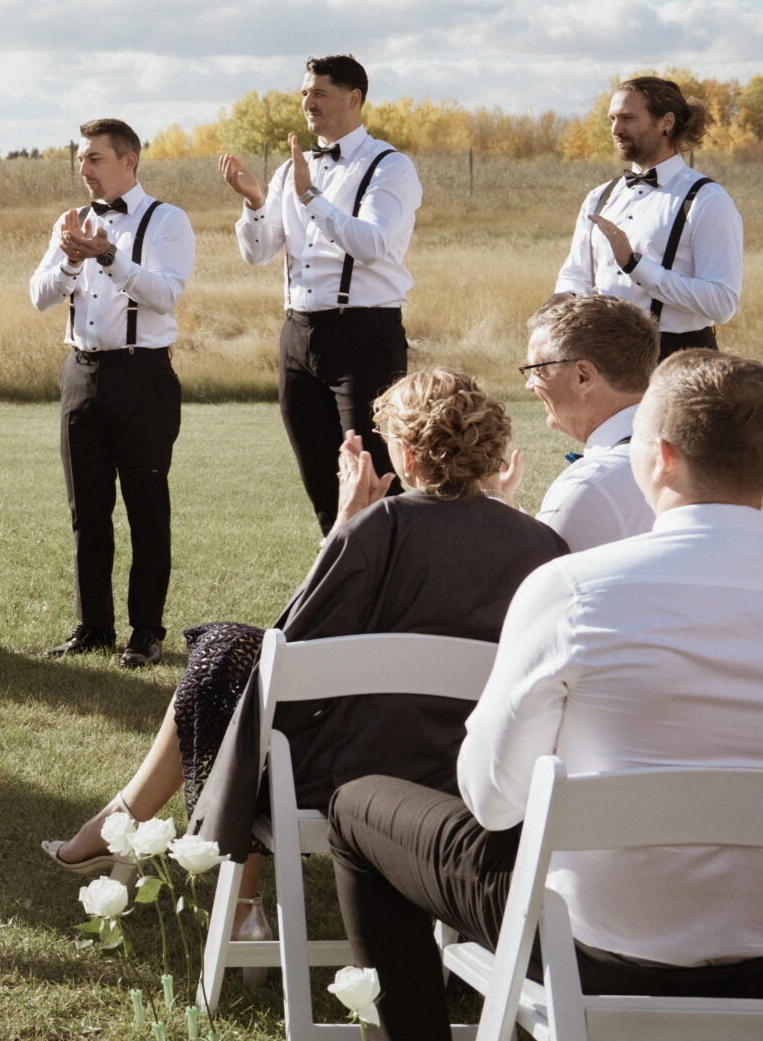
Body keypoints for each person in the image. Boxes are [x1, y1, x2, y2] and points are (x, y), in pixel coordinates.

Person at [325, 351, 763, 1040]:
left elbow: (493, 798)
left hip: (596, 953)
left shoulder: (576, 590)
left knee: (355, 809)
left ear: (662, 457)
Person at [41, 371, 565, 945]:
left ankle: (219, 887)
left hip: (351, 775)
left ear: (409, 456)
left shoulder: (381, 529)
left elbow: (285, 662)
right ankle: (153, 841)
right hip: (480, 769)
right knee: (229, 656)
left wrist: (344, 526)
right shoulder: (543, 545)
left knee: (229, 661)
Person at [222, 55, 424, 534]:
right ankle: (339, 584)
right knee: (318, 477)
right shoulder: (292, 170)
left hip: (363, 335)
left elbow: (371, 244)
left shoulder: (389, 166)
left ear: (353, 99)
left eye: (319, 93)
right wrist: (254, 202)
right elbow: (259, 253)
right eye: (304, 93)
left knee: (375, 477)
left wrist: (311, 196)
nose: (307, 103)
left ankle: (389, 595)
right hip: (297, 334)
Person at [30, 119, 195, 668]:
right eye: (80, 159)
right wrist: (72, 260)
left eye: (95, 158)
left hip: (141, 375)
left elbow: (166, 295)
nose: (84, 169)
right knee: (87, 510)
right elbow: (38, 297)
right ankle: (93, 626)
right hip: (80, 373)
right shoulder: (68, 221)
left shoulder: (168, 221)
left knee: (147, 507)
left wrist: (108, 257)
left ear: (130, 161)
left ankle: (146, 630)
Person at [551, 74, 742, 358]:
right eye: (612, 118)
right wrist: (562, 301)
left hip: (681, 360)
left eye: (627, 118)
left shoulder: (707, 200)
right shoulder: (599, 197)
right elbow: (576, 275)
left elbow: (722, 303)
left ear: (666, 123)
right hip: (605, 356)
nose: (616, 129)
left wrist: (635, 265)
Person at [509, 295, 658, 551]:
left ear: (583, 376)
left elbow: (529, 574)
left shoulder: (588, 485)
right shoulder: (693, 458)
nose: (529, 385)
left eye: (537, 369)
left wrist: (487, 498)